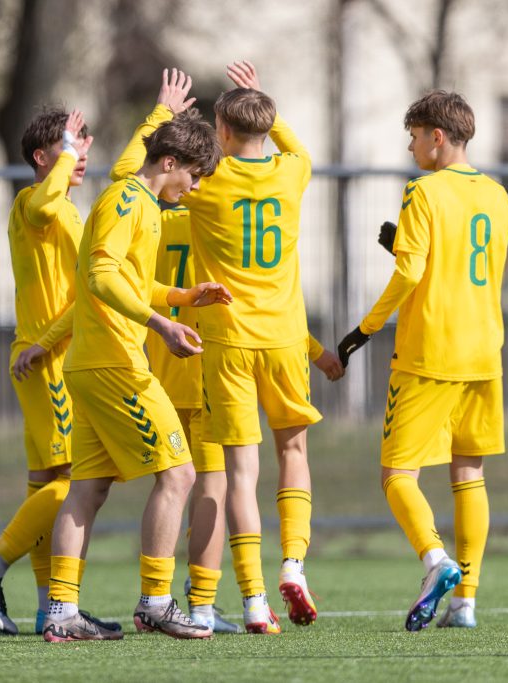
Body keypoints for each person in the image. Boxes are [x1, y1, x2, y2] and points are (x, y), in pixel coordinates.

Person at [40, 105, 231, 642]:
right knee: (180, 474)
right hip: (114, 363)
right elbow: (99, 276)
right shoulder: (127, 199)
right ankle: (156, 602)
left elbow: (127, 279)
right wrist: (159, 324)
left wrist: (182, 297)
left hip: (93, 362)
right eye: (193, 175)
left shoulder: (143, 203)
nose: (195, 188)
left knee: (88, 488)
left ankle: (61, 611)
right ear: (169, 162)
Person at [337, 90, 508, 631]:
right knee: (469, 474)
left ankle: (436, 560)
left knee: (397, 474)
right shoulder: (499, 195)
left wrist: (364, 330)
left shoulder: (422, 191)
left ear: (438, 137)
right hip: (484, 352)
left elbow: (412, 274)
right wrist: (405, 247)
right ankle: (465, 605)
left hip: (430, 351)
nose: (410, 147)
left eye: (414, 137)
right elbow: (465, 267)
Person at [181, 61, 331, 634]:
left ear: (221, 130)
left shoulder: (206, 182)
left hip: (229, 341)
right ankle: (294, 562)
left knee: (240, 473)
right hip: (286, 339)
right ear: (266, 126)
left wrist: (167, 117)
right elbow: (295, 147)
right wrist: (265, 103)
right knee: (294, 453)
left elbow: (140, 175)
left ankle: (252, 600)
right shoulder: (293, 172)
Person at [0, 108, 92, 635]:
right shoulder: (33, 202)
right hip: (46, 358)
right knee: (78, 481)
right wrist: (67, 157)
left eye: (83, 144)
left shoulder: (66, 207)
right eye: (68, 147)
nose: (80, 156)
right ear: (41, 157)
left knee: (47, 484)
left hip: (48, 355)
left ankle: (47, 605)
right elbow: (43, 204)